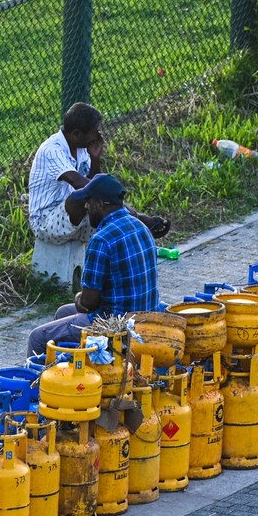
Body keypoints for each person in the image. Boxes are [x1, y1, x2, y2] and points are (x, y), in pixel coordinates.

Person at [27, 174, 160, 355]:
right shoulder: (140, 226)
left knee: (38, 337)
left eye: (89, 201)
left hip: (115, 326)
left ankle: (42, 381)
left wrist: (78, 297)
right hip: (144, 317)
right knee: (62, 313)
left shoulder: (101, 240)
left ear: (100, 204)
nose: (86, 207)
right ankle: (71, 369)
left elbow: (87, 304)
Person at [27, 102, 170, 244]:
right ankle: (139, 219)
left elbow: (93, 181)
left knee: (110, 215)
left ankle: (135, 226)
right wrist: (121, 203)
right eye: (94, 131)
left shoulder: (81, 148)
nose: (98, 134)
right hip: (46, 222)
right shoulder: (52, 150)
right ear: (76, 133)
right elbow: (79, 183)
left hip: (76, 219)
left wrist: (95, 159)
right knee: (80, 196)